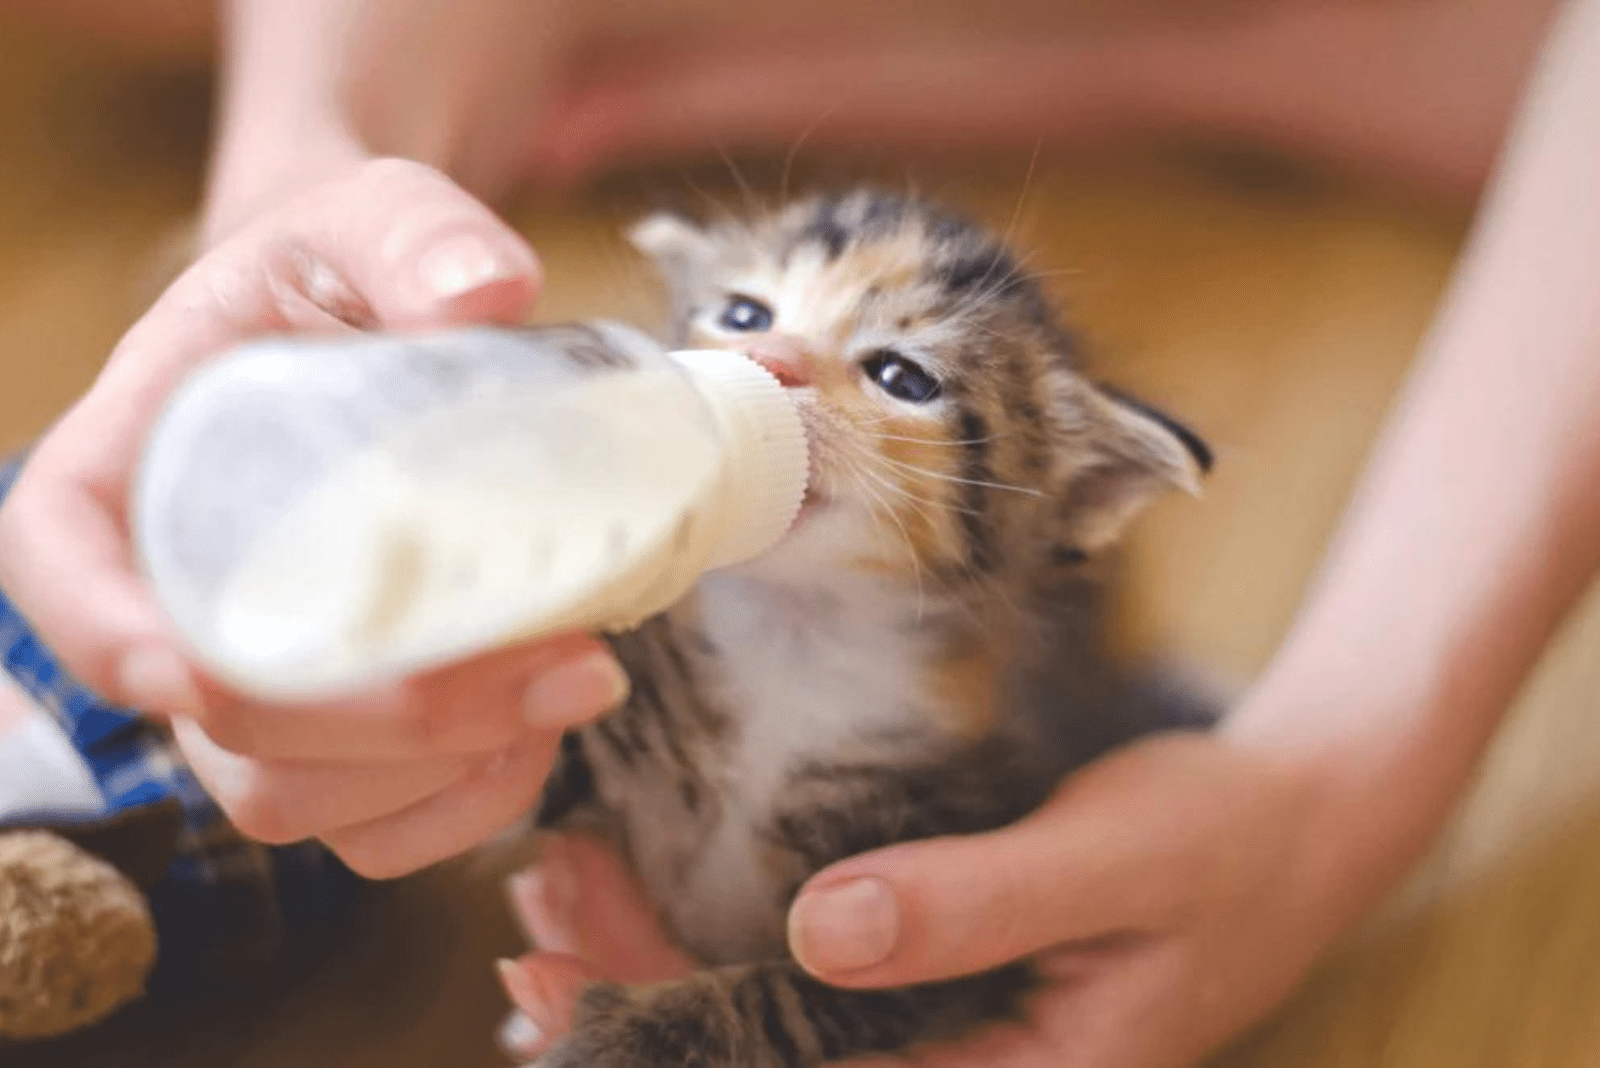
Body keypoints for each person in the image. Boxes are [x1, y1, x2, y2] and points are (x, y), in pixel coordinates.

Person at [0, 1, 1596, 1065]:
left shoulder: (955, 745)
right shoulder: (635, 600)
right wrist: (294, 170)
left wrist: (1336, 779)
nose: (771, 366)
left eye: (894, 374)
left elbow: (911, 973)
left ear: (1064, 507)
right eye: (748, 312)